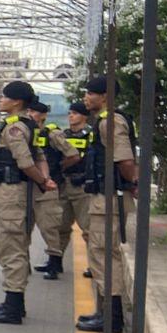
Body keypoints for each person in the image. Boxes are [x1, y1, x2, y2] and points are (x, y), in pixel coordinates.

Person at [0, 82, 55, 325]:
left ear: (17, 102)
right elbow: (39, 156)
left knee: (11, 247)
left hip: (12, 193)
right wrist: (45, 180)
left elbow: (26, 162)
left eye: (5, 97)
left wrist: (42, 181)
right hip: (13, 192)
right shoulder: (27, 125)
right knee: (14, 245)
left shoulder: (15, 129)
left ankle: (12, 305)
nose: (1, 100)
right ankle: (14, 304)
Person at [77, 74, 139, 333]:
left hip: (110, 199)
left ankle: (112, 317)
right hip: (104, 198)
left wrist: (133, 183)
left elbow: (124, 160)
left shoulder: (110, 121)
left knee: (105, 254)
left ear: (104, 96)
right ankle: (106, 312)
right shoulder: (104, 120)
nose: (86, 98)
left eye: (90, 93)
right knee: (100, 253)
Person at [28, 97, 82, 281]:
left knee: (50, 226)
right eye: (28, 111)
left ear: (43, 116)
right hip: (29, 185)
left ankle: (54, 262)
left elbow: (73, 155)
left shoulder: (52, 133)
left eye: (33, 112)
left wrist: (58, 168)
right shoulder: (26, 132)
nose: (29, 114)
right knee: (25, 226)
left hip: (49, 186)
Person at [56, 101, 96, 265]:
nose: (71, 116)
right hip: (64, 184)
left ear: (84, 116)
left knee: (88, 228)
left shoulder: (92, 135)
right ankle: (55, 262)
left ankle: (93, 265)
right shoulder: (63, 135)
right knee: (60, 226)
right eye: (69, 113)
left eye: (75, 113)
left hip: (82, 186)